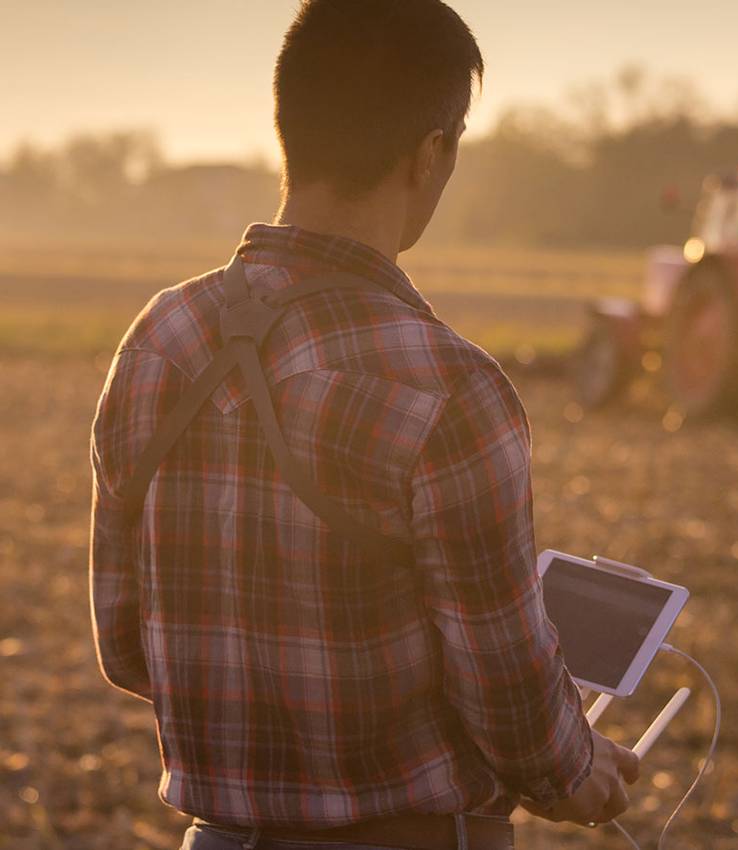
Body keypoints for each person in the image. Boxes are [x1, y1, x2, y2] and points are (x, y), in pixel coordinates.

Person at [88, 1, 639, 849]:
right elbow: (506, 692)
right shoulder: (449, 385)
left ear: (290, 125)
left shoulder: (158, 339)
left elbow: (126, 647)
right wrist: (577, 769)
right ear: (431, 152)